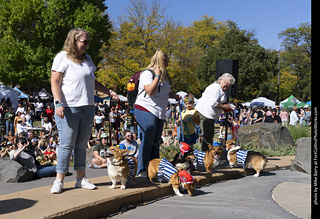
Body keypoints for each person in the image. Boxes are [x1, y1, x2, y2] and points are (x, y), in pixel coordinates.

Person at [50, 28, 118, 194]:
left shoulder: (87, 59)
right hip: (68, 106)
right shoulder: (62, 57)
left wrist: (109, 92)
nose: (87, 45)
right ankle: (59, 180)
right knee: (67, 144)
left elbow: (93, 82)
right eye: (84, 42)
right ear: (74, 41)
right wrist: (58, 103)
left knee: (81, 145)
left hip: (87, 106)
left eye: (88, 42)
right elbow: (55, 81)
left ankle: (81, 178)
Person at [134, 49, 172, 176]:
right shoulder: (148, 73)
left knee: (156, 140)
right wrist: (156, 75)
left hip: (159, 111)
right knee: (148, 139)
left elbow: (162, 92)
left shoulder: (164, 76)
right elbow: (149, 90)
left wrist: (173, 96)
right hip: (146, 108)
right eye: (166, 61)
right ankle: (142, 169)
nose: (168, 64)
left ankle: (155, 168)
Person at [195, 73, 234, 151]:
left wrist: (228, 106)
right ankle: (205, 156)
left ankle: (207, 156)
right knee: (207, 137)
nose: (227, 87)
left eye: (229, 85)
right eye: (226, 84)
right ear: (221, 80)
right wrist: (224, 107)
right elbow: (213, 103)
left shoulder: (220, 89)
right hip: (204, 114)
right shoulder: (216, 88)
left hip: (210, 117)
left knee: (209, 138)